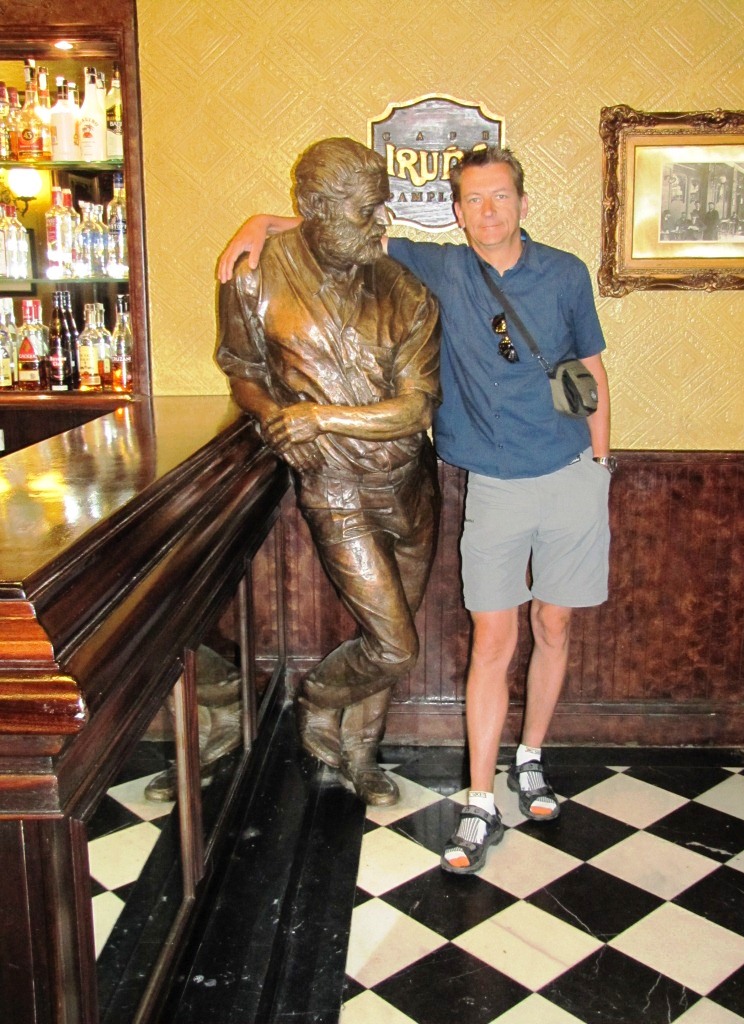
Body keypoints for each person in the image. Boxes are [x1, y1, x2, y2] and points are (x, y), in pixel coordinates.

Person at [218, 144, 613, 873]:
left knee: (550, 624)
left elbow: (579, 371)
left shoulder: (544, 275)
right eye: (473, 200)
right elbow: (255, 344)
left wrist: (599, 463)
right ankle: (453, 783)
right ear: (457, 212)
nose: (486, 211)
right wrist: (260, 224)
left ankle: (497, 759)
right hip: (452, 484)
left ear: (523, 203)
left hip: (524, 475)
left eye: (500, 197)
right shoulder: (429, 270)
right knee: (445, 641)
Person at [215, 137, 441, 807]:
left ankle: (360, 752)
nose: (382, 227)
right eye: (367, 212)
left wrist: (319, 416)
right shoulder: (254, 274)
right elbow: (244, 371)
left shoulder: (404, 290)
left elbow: (415, 407)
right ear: (315, 208)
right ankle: (316, 702)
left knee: (391, 634)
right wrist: (274, 421)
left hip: (411, 486)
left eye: (383, 210)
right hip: (336, 488)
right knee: (395, 644)